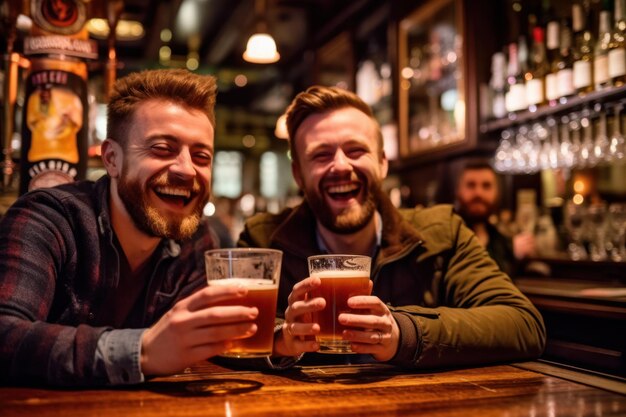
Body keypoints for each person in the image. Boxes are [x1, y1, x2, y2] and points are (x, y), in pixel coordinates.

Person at [238, 86, 545, 368]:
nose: (341, 165)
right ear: (299, 174)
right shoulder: (264, 240)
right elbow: (226, 342)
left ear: (383, 162)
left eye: (356, 150)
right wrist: (279, 340)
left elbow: (523, 324)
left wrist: (402, 332)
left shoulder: (442, 232)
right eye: (321, 155)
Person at [0, 69, 259, 386]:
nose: (186, 169)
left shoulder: (197, 240)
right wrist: (142, 351)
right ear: (112, 159)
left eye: (201, 155)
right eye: (162, 149)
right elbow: (5, 333)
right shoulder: (50, 219)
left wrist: (280, 338)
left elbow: (211, 336)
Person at [455, 162, 536, 276]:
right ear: (458, 191)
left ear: (497, 192)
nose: (478, 193)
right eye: (471, 185)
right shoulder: (448, 235)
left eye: (486, 186)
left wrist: (514, 254)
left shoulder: (499, 240)